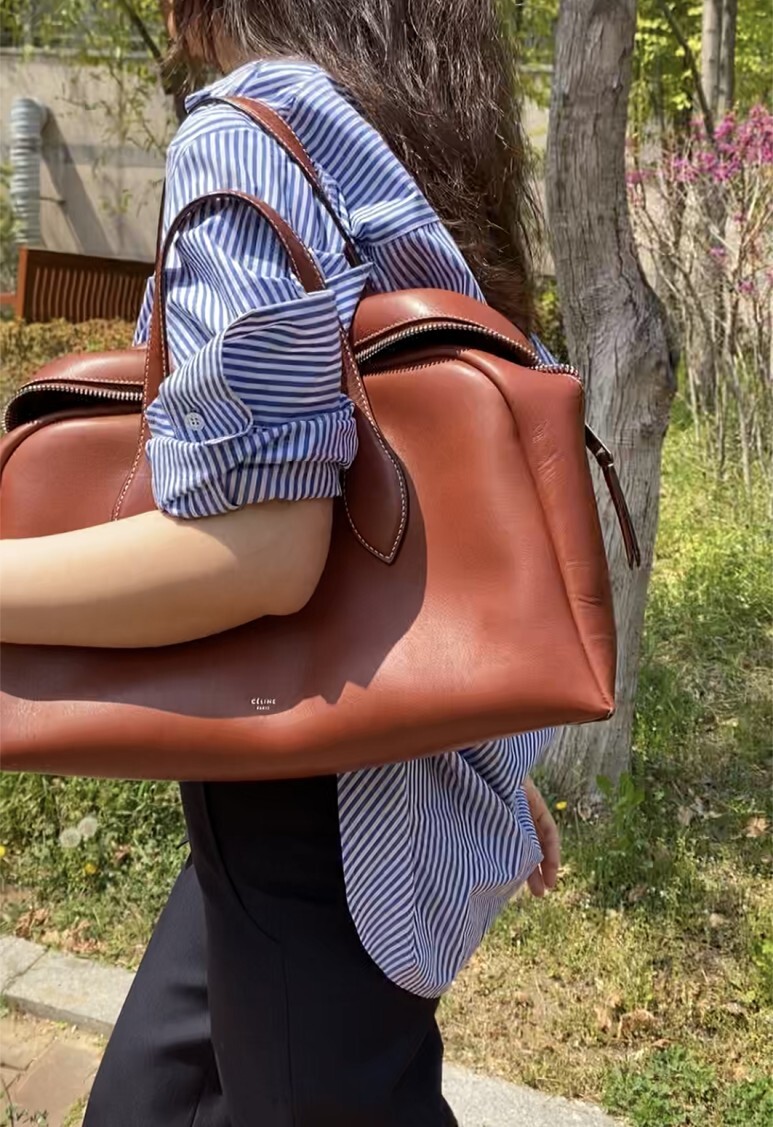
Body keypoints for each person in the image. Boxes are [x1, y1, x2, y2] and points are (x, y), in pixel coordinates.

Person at [0, 3, 562, 1124]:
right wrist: (471, 735)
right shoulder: (399, 119)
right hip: (364, 753)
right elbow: (437, 450)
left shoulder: (245, 131)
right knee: (151, 1099)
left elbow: (261, 548)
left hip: (313, 794)